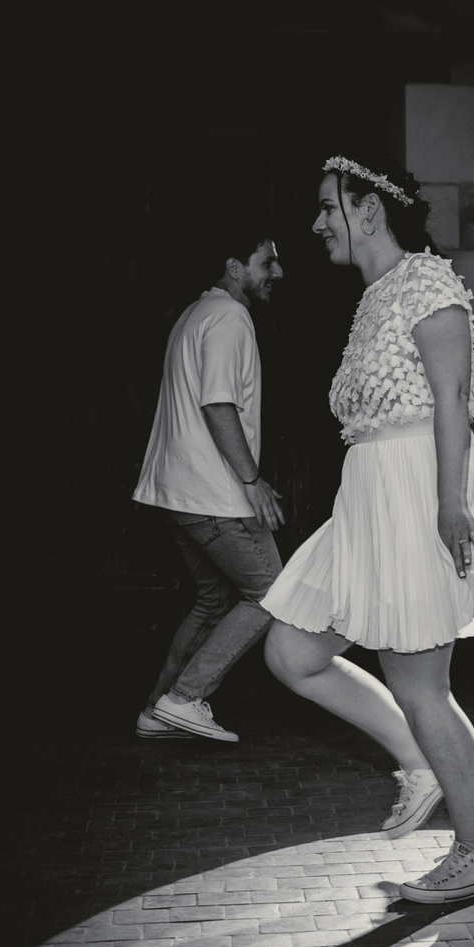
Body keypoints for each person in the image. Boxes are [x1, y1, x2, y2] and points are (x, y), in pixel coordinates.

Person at [262, 154, 474, 903]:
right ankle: (419, 761)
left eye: (328, 207)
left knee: (422, 686)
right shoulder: (373, 298)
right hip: (365, 501)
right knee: (292, 650)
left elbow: (453, 395)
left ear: (368, 208)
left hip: (413, 491)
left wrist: (450, 502)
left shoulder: (426, 280)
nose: (318, 223)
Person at [133, 224, 286, 742]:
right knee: (272, 593)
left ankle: (157, 711)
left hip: (179, 492)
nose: (278, 272)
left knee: (213, 601)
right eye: (267, 262)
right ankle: (185, 697)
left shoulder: (195, 314)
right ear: (234, 267)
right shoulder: (229, 316)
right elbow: (217, 404)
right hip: (213, 493)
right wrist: (252, 480)